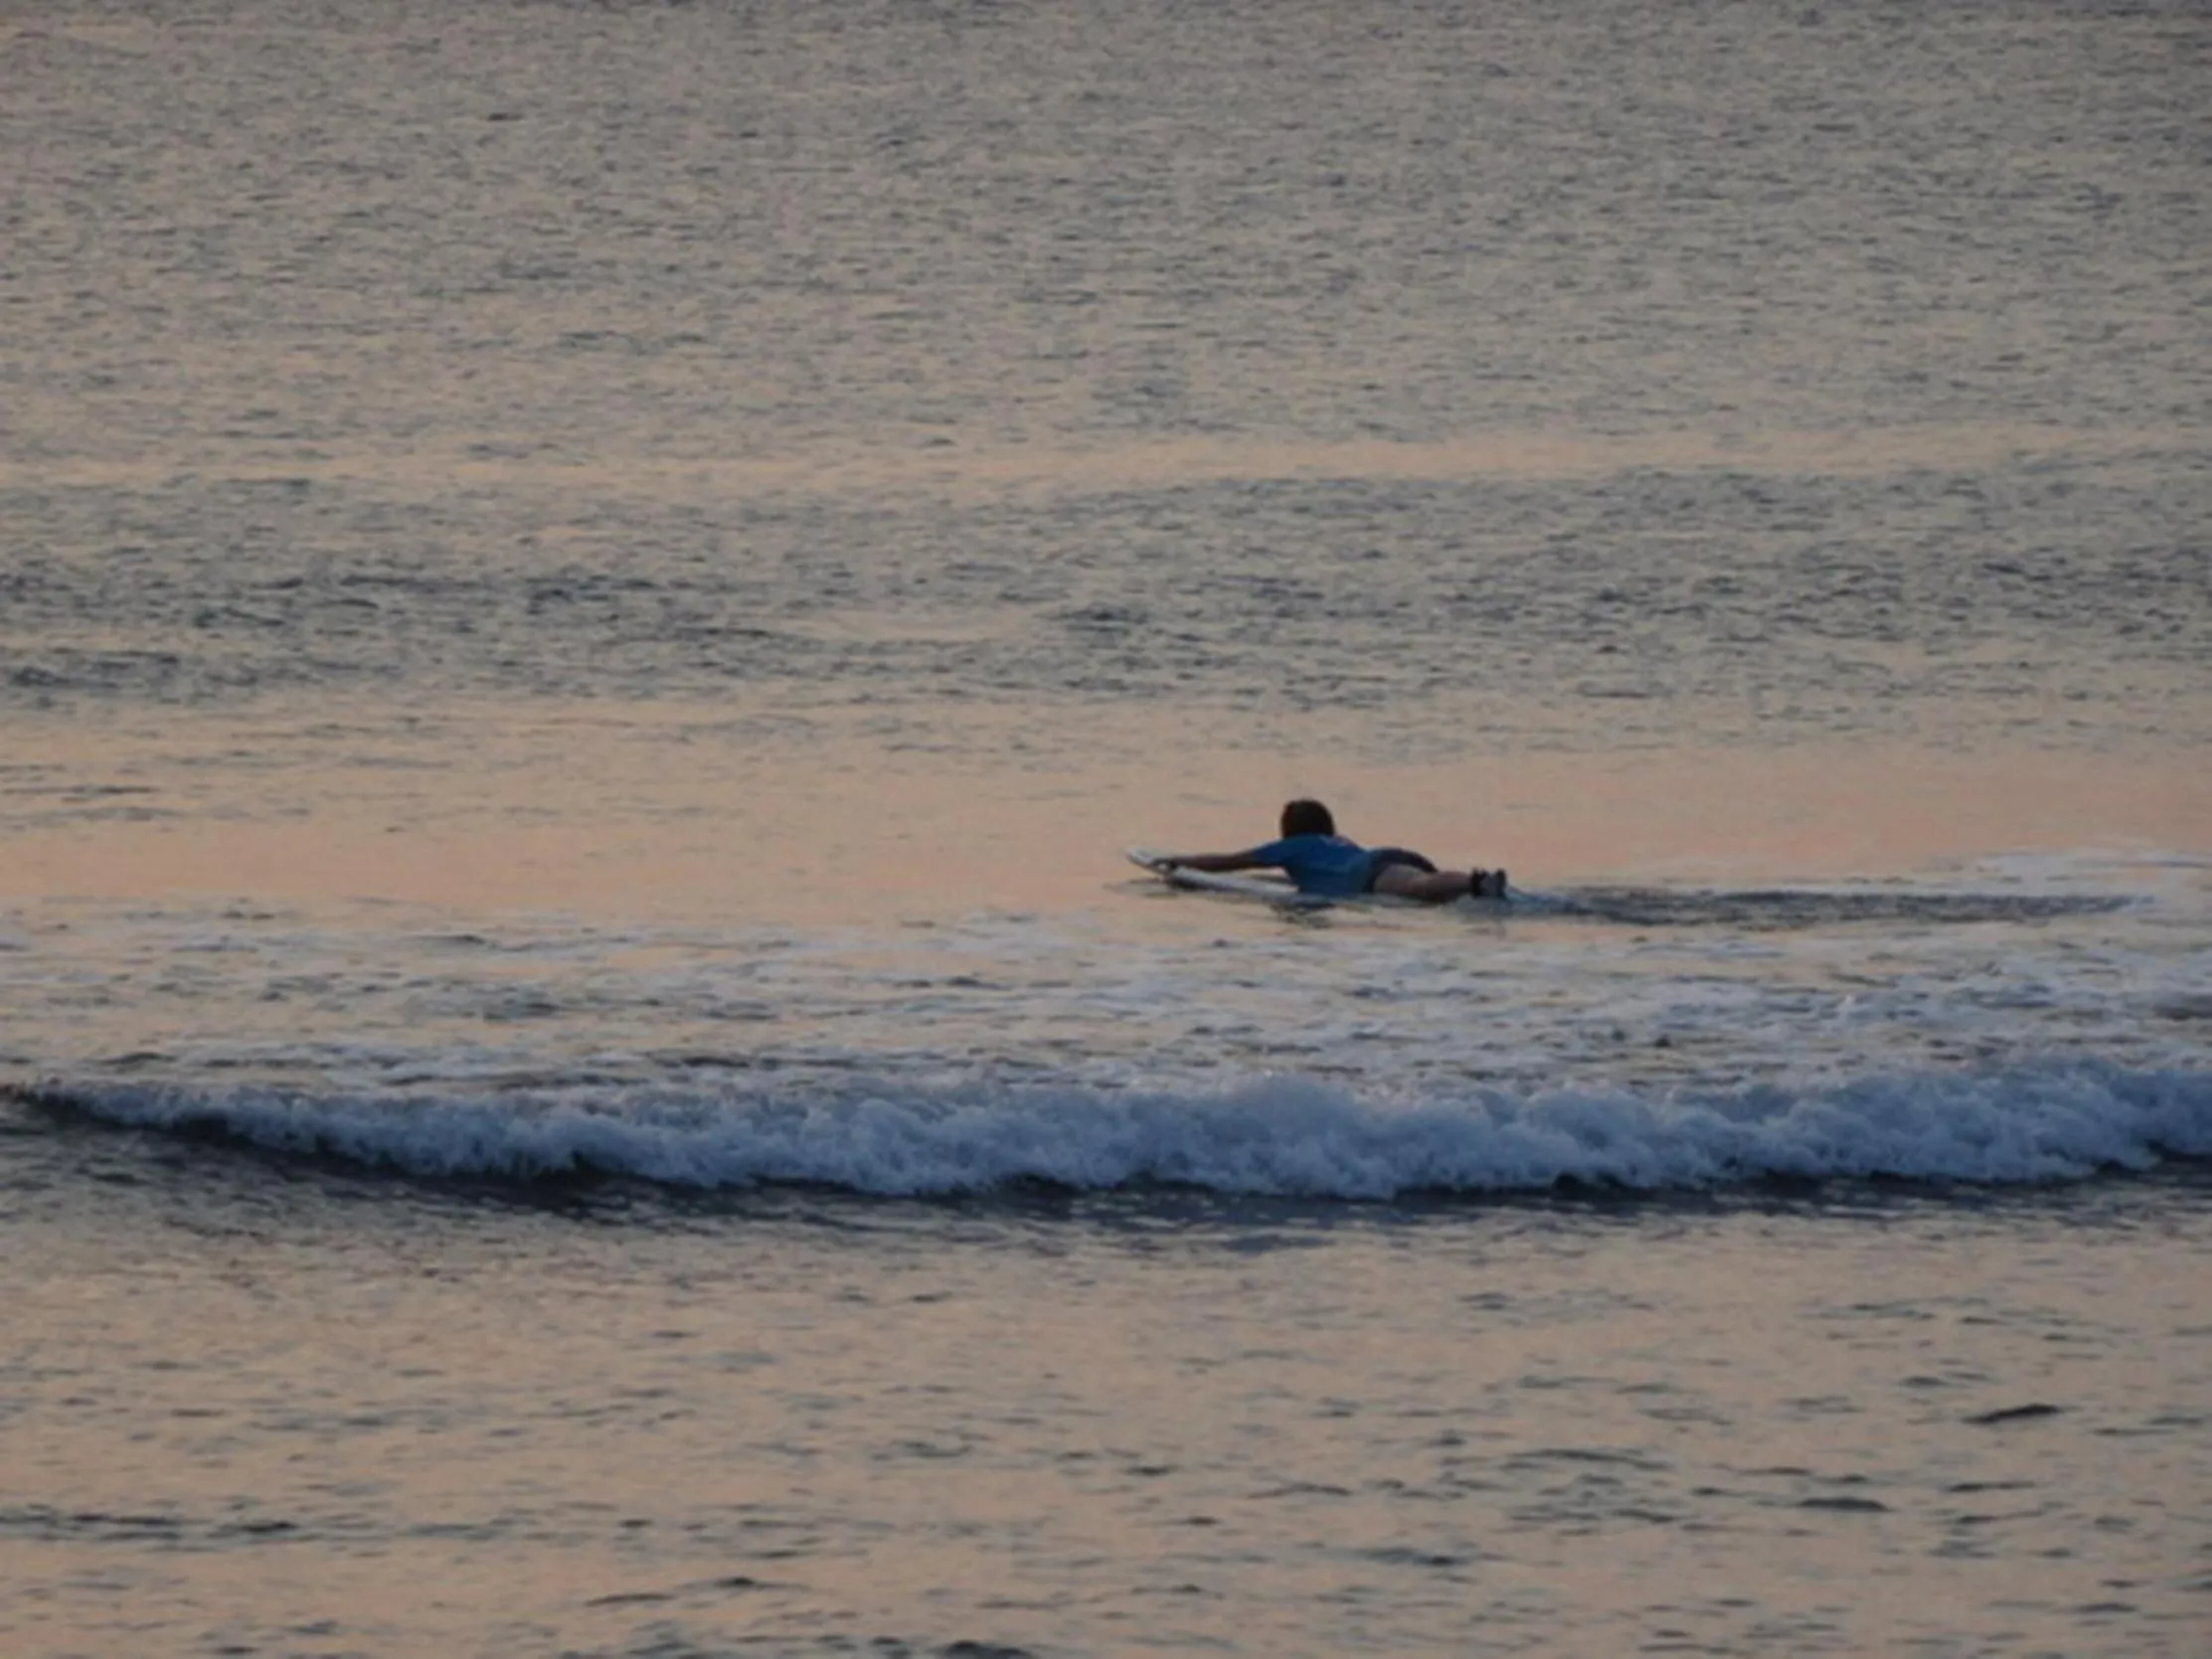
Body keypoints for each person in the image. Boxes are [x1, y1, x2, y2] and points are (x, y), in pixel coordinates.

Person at [1155, 798, 1505, 902]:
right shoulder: (1336, 841)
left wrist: (1178, 862)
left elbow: (1230, 862)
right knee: (1423, 883)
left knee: (1417, 888)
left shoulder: (1292, 846)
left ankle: (1473, 884)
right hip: (1386, 857)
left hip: (1367, 873)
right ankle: (1471, 883)